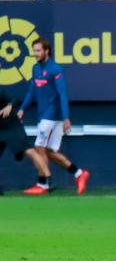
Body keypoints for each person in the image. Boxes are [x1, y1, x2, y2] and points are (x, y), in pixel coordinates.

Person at [17, 37, 90, 196]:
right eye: (34, 50)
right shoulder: (36, 68)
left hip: (53, 116)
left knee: (39, 148)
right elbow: (31, 91)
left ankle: (43, 183)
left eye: (38, 50)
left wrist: (66, 117)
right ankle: (79, 174)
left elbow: (62, 94)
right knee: (49, 152)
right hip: (43, 115)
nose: (35, 53)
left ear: (46, 51)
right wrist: (22, 108)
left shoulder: (56, 69)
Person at [0, 88, 50, 193]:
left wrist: (9, 106)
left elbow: (15, 99)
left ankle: (48, 179)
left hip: (12, 126)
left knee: (29, 151)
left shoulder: (1, 91)